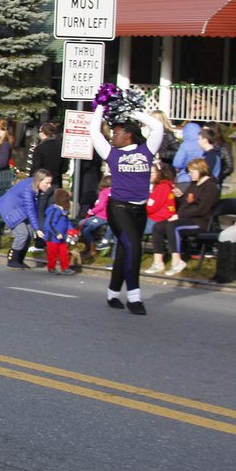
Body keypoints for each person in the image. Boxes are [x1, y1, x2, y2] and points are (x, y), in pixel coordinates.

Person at [88, 103, 164, 314]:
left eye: (116, 133)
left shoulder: (146, 150)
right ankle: (134, 298)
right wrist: (101, 107)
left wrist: (133, 112)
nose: (113, 137)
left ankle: (113, 294)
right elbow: (94, 131)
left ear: (128, 134)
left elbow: (158, 128)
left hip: (139, 211)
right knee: (134, 247)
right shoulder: (111, 153)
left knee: (125, 250)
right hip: (118, 208)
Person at [145, 158, 220, 277]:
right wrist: (179, 198)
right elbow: (186, 204)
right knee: (158, 227)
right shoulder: (194, 185)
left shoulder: (210, 187)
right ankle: (158, 262)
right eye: (189, 171)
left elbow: (202, 209)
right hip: (186, 218)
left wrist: (179, 215)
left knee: (173, 226)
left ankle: (177, 261)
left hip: (200, 222)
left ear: (201, 170)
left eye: (192, 171)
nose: (190, 174)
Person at [0, 169, 53, 269]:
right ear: (39, 181)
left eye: (50, 183)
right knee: (22, 233)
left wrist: (36, 228)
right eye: (47, 183)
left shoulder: (36, 187)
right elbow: (30, 209)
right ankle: (12, 260)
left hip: (20, 208)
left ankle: (20, 260)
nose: (49, 186)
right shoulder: (29, 189)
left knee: (30, 233)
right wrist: (37, 229)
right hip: (10, 208)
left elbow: (35, 209)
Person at [77, 175, 113, 256]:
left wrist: (92, 211)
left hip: (101, 216)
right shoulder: (113, 192)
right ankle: (90, 245)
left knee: (82, 224)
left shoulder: (104, 192)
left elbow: (100, 206)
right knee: (85, 227)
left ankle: (91, 246)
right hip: (108, 217)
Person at [44, 188, 76, 275]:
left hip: (62, 237)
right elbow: (49, 224)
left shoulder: (64, 212)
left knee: (64, 253)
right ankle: (51, 267)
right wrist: (56, 233)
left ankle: (65, 267)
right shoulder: (55, 211)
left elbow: (67, 222)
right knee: (52, 254)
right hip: (53, 237)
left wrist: (71, 230)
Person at [144, 162, 176, 236]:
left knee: (128, 227)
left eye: (151, 173)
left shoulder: (162, 188)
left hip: (158, 219)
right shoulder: (162, 186)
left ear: (159, 174)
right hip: (157, 218)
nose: (149, 175)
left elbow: (151, 207)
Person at [171, 122, 203, 191]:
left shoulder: (184, 145)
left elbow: (177, 163)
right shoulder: (202, 144)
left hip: (185, 178)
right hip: (201, 178)